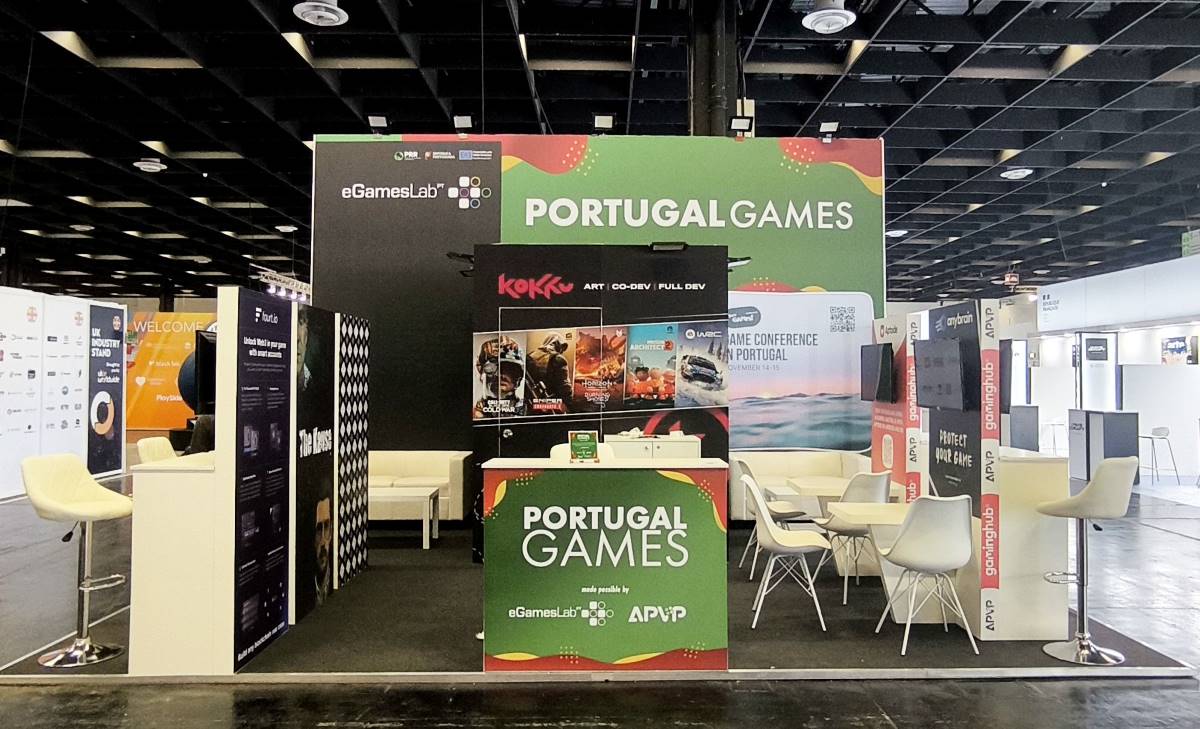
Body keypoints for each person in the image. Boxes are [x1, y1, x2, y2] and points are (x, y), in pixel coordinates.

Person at [526, 332, 572, 412]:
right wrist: (569, 407)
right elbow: (565, 388)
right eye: (561, 347)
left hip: (531, 406)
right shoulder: (558, 359)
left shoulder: (529, 356)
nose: (561, 351)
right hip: (551, 407)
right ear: (556, 344)